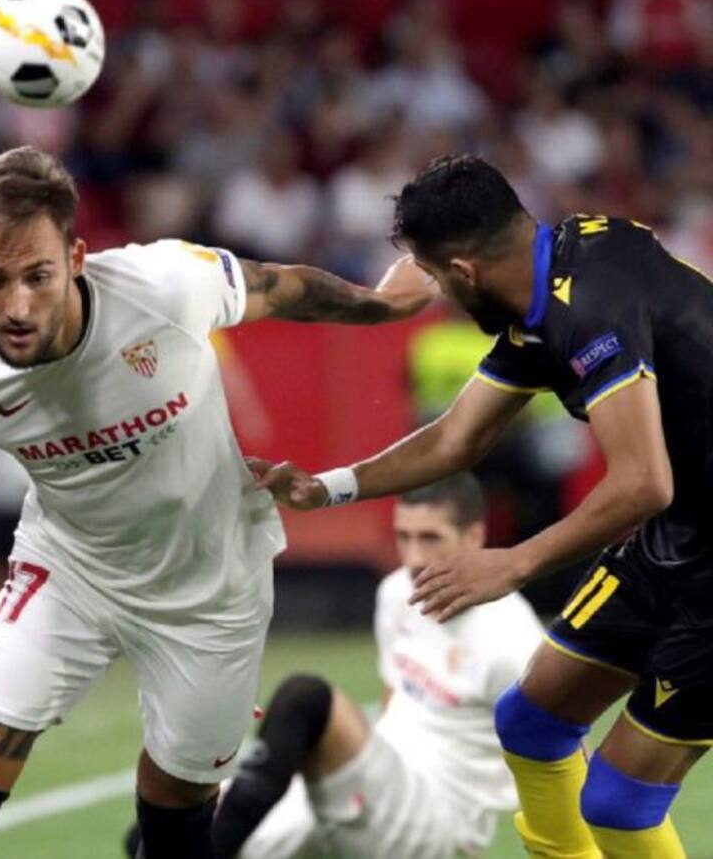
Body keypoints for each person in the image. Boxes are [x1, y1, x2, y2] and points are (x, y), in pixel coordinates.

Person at [0, 145, 433, 859]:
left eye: (38, 276)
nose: (17, 307)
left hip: (213, 583)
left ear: (75, 257)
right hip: (72, 569)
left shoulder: (164, 286)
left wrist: (385, 304)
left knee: (177, 834)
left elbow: (283, 288)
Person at [250, 154, 713, 858]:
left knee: (618, 803)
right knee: (529, 722)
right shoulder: (550, 287)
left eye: (435, 277)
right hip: (681, 533)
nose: (436, 292)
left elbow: (644, 482)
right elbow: (454, 439)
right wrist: (329, 487)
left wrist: (513, 564)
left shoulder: (587, 313)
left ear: (464, 271)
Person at [126, 473, 542, 859]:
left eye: (431, 538)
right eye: (404, 537)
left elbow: (559, 750)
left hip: (439, 820)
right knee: (159, 836)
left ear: (474, 536)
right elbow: (395, 696)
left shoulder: (511, 640)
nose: (415, 557)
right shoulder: (397, 593)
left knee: (305, 700)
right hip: (379, 782)